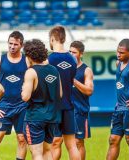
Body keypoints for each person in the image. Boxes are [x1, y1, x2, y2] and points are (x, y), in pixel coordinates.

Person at [0, 31, 28, 160]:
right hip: (4, 107)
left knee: (22, 139)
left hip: (23, 107)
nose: (12, 46)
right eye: (10, 43)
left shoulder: (27, 60)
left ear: (21, 45)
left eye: (15, 44)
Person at [21, 39, 62, 160]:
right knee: (47, 151)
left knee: (37, 153)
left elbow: (25, 97)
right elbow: (60, 94)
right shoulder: (54, 70)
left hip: (35, 117)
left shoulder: (31, 72)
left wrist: (23, 87)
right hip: (52, 117)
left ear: (29, 56)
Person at [48, 26, 81, 160]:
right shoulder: (72, 59)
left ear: (52, 39)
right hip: (68, 105)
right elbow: (71, 79)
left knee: (50, 145)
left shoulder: (49, 60)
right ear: (64, 39)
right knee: (72, 145)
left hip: (52, 108)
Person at [106, 39, 129, 160]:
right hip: (118, 108)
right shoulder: (118, 63)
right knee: (113, 139)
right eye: (117, 52)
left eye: (122, 53)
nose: (118, 55)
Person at [69, 41, 94, 160]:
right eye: (70, 51)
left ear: (81, 54)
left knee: (78, 142)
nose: (71, 54)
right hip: (66, 110)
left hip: (80, 111)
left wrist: (73, 80)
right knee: (57, 141)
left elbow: (89, 91)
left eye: (74, 52)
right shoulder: (65, 68)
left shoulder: (86, 70)